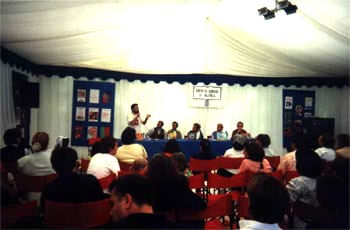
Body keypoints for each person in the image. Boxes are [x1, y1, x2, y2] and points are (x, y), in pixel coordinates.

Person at [41, 146, 107, 210]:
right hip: (88, 220)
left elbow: (43, 211)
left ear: (53, 166)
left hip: (59, 221)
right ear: (76, 164)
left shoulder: (49, 190)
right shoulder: (91, 181)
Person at [286, 148, 323, 228]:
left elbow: (284, 201)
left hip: (302, 223)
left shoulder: (298, 183)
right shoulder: (326, 180)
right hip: (322, 222)